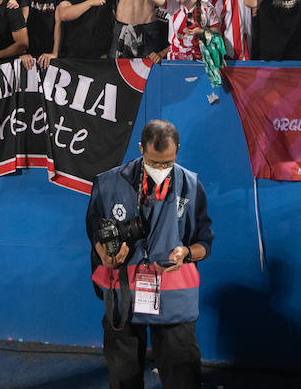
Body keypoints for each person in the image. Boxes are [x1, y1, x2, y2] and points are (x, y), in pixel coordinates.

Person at [86, 120, 213, 389]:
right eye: (154, 162)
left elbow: (204, 243)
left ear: (177, 150)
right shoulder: (108, 183)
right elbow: (95, 232)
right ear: (141, 148)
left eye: (167, 162)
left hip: (173, 295)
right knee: (123, 377)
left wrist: (186, 252)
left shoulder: (191, 185)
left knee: (183, 377)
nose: (160, 169)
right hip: (123, 295)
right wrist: (105, 254)